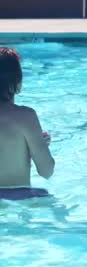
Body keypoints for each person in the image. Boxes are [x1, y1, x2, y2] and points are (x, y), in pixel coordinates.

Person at [0, 47, 55, 199]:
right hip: (20, 199)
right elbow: (46, 172)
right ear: (18, 82)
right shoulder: (25, 117)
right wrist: (37, 146)